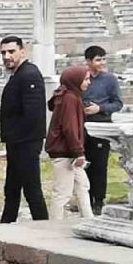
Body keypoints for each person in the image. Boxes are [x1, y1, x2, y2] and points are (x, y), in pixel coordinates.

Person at [0, 35, 49, 223]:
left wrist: (22, 142)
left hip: (26, 142)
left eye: (11, 51)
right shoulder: (18, 75)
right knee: (12, 188)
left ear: (22, 51)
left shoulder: (29, 74)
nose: (6, 56)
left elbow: (33, 113)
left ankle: (44, 227)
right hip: (16, 141)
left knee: (31, 189)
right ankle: (6, 224)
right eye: (3, 52)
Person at [45, 67, 95, 221]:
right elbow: (70, 128)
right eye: (85, 79)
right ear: (76, 80)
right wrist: (78, 152)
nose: (88, 82)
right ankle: (55, 226)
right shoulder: (70, 99)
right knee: (62, 192)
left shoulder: (71, 96)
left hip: (69, 152)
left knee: (82, 186)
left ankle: (89, 219)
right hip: (66, 153)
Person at [81, 45, 123, 214]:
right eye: (98, 59)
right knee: (82, 164)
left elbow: (118, 103)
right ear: (89, 62)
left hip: (101, 124)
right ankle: (84, 199)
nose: (102, 63)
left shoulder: (110, 80)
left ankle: (98, 200)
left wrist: (100, 108)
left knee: (99, 165)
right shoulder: (82, 78)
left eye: (103, 59)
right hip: (82, 125)